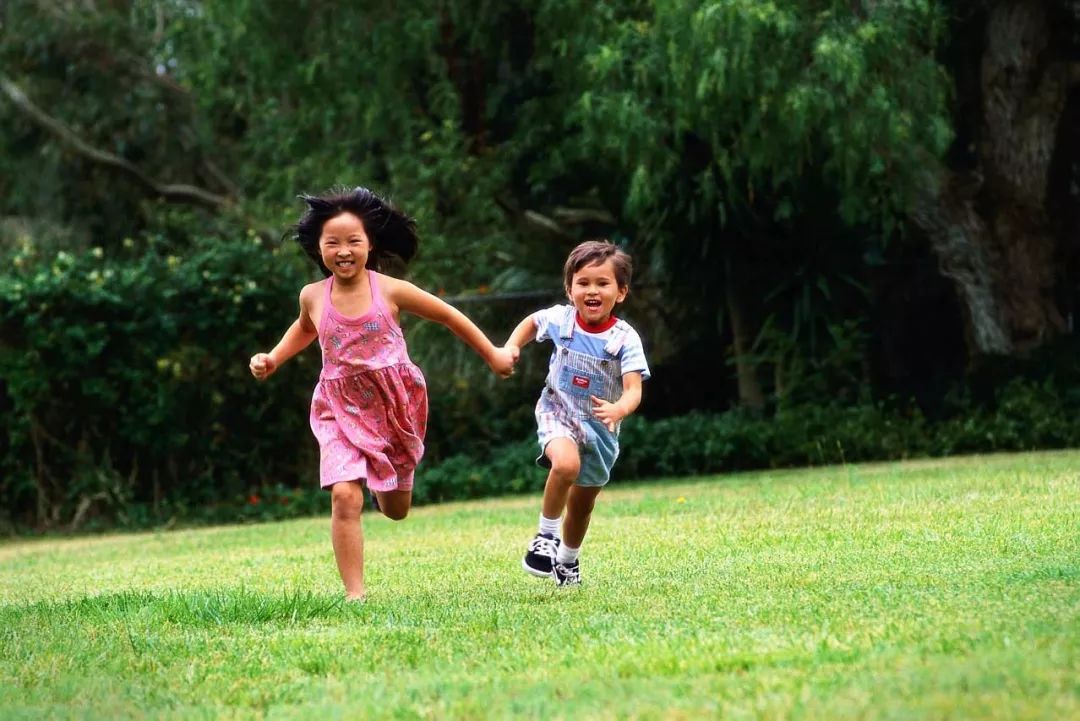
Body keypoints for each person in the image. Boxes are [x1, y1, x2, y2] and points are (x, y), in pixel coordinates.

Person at [250, 186, 517, 600]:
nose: (343, 250)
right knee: (343, 494)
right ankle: (355, 594)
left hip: (394, 403)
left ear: (369, 243)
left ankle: (383, 488)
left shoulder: (390, 290)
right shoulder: (313, 296)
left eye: (353, 241)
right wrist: (272, 358)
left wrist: (494, 354)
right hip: (337, 407)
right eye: (332, 242)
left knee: (396, 510)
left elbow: (448, 315)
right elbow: (304, 330)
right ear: (318, 247)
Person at [503, 240, 650, 586]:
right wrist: (511, 346)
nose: (592, 290)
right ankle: (544, 538)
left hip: (600, 430)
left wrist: (620, 408)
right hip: (559, 411)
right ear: (570, 290)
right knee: (565, 464)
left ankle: (567, 562)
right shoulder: (562, 320)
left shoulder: (625, 340)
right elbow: (532, 323)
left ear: (622, 292)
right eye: (583, 283)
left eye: (603, 283)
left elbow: (633, 390)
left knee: (583, 505)